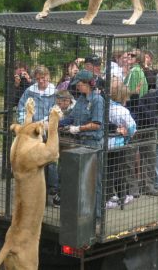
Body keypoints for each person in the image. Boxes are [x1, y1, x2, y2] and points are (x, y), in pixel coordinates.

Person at [59, 69, 105, 214]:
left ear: (87, 83)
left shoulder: (97, 100)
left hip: (93, 144)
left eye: (79, 84)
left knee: (93, 181)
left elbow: (97, 124)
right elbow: (70, 118)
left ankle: (96, 216)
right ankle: (82, 212)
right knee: (80, 180)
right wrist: (54, 122)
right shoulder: (80, 99)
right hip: (80, 144)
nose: (77, 86)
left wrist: (78, 128)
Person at [104, 79, 138, 209]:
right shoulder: (122, 111)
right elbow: (132, 127)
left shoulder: (106, 106)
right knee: (117, 171)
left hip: (105, 144)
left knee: (107, 170)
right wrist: (128, 133)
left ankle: (111, 195)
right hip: (117, 144)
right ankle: (119, 197)